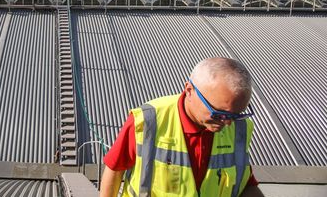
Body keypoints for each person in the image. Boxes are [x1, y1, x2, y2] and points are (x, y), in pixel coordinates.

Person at [100, 57, 264, 197]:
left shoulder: (240, 128)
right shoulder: (148, 120)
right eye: (218, 113)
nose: (228, 122)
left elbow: (244, 183)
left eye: (237, 114)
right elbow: (114, 170)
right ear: (189, 90)